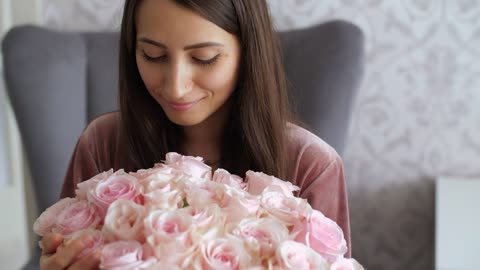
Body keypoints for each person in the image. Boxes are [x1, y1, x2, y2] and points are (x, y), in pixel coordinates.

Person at [39, 0, 351, 269]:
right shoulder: (102, 143)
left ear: (248, 52)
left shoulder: (312, 164)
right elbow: (61, 251)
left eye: (204, 58)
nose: (175, 86)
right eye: (153, 55)